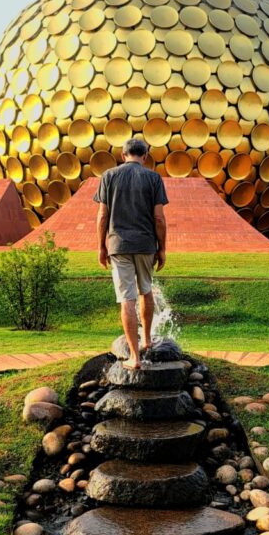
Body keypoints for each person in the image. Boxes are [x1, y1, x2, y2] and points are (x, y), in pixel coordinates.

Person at [94, 137, 168, 370]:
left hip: (119, 245)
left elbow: (102, 216)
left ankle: (134, 357)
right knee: (146, 290)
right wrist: (162, 247)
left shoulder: (109, 176)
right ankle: (146, 340)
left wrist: (101, 246)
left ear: (122, 154)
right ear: (145, 156)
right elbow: (159, 218)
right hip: (146, 244)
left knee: (127, 299)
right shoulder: (154, 178)